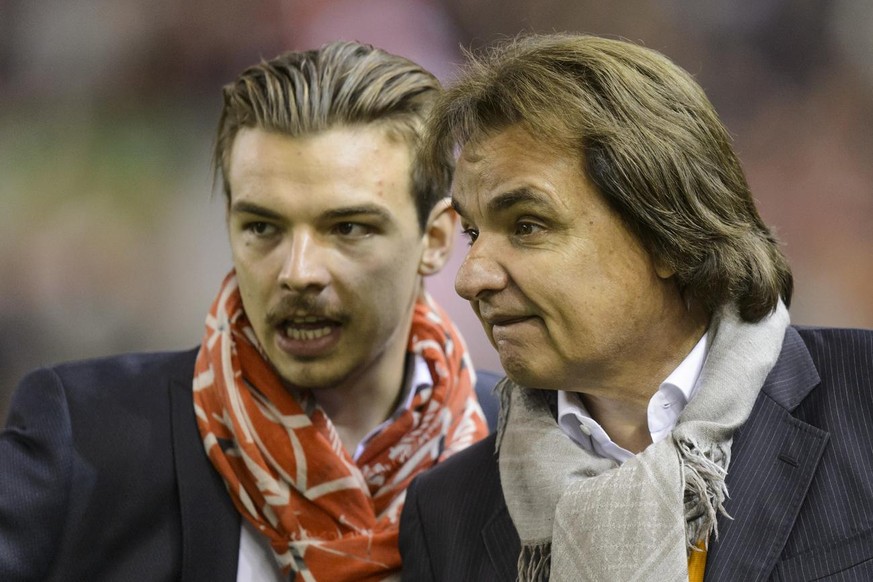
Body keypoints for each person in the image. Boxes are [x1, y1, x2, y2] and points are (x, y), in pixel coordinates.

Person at [0, 41, 493, 582]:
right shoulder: (84, 437)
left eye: (348, 228)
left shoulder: (524, 444)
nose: (298, 271)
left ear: (437, 240)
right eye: (262, 227)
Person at [399, 33, 873, 581]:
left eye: (527, 226)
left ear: (668, 234)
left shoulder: (863, 398)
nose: (470, 277)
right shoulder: (447, 512)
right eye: (473, 232)